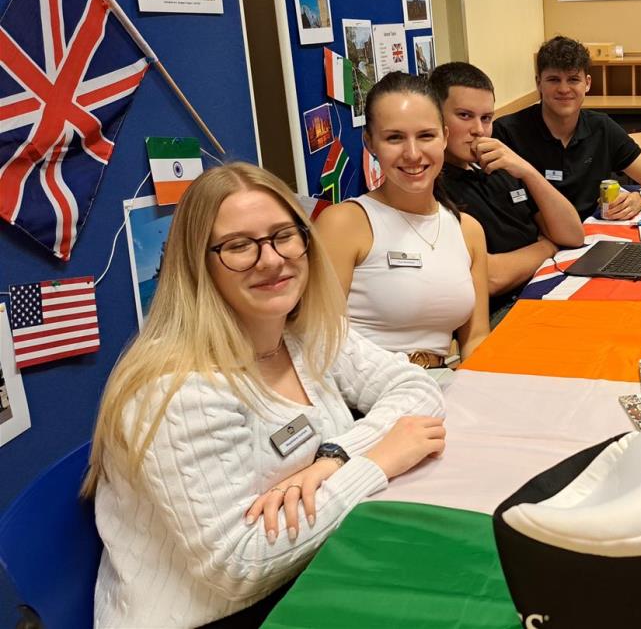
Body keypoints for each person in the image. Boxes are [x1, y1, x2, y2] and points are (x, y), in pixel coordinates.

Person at [86, 164, 447, 627]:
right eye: (239, 246)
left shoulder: (302, 331)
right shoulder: (176, 391)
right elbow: (239, 566)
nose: (272, 260)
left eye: (283, 235)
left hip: (313, 571)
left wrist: (335, 458)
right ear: (197, 264)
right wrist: (376, 463)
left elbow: (417, 388)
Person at [316, 73, 490, 372]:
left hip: (442, 382)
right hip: (364, 388)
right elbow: (322, 343)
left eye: (426, 136)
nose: (412, 154)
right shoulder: (344, 223)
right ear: (370, 143)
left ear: (444, 137)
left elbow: (475, 339)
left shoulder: (468, 230)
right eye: (394, 138)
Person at [429, 62, 584, 322]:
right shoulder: (432, 186)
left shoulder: (498, 165)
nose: (479, 130)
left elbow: (572, 234)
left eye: (486, 118)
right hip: (503, 310)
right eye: (465, 116)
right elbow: (490, 277)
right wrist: (547, 246)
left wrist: (528, 172)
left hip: (547, 282)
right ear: (436, 118)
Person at [492, 35, 641, 221]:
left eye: (573, 79)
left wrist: (639, 199)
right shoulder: (507, 133)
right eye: (554, 80)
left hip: (592, 231)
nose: (564, 89)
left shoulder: (602, 128)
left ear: (587, 83)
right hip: (536, 234)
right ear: (539, 83)